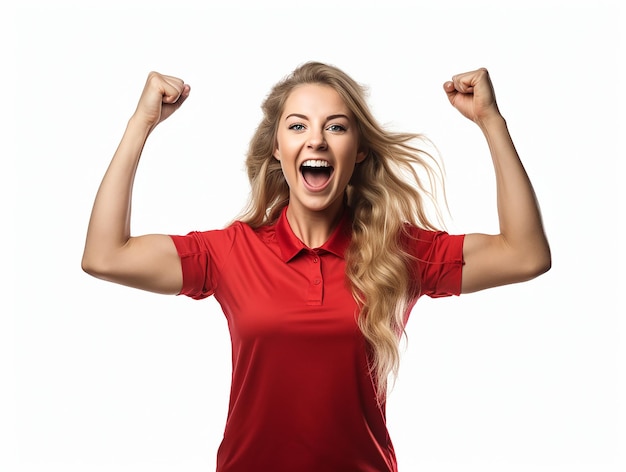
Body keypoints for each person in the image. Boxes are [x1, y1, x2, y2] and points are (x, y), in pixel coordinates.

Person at [81, 61, 551, 472]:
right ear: (277, 149)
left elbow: (525, 255)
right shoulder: (230, 252)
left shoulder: (398, 251)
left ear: (360, 150)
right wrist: (140, 123)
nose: (317, 141)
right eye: (298, 126)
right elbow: (106, 256)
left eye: (337, 127)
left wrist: (491, 120)